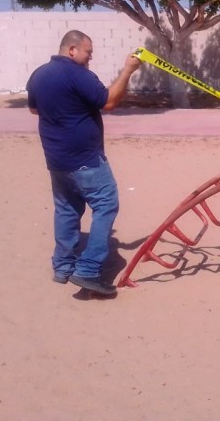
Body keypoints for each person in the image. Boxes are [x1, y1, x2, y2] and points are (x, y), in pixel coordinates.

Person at [27, 30, 141, 296]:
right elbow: (109, 102)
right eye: (88, 52)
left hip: (57, 160)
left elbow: (34, 109)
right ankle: (88, 269)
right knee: (106, 204)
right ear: (72, 50)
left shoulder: (39, 75)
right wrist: (128, 70)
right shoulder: (78, 75)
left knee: (66, 210)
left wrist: (66, 109)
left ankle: (63, 267)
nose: (90, 58)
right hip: (85, 159)